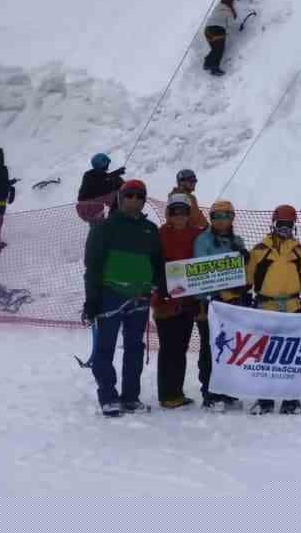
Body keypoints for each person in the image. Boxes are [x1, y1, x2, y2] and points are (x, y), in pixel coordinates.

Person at [83, 179, 164, 417]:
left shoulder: (150, 230)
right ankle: (108, 397)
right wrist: (92, 299)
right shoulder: (104, 228)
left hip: (140, 296)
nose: (134, 200)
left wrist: (156, 285)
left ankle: (130, 397)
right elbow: (93, 267)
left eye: (139, 196)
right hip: (110, 295)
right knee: (105, 347)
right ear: (120, 198)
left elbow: (157, 263)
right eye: (130, 195)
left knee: (134, 348)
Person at [246, 204, 301, 415]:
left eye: (289, 225)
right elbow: (248, 279)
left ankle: (290, 399)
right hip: (266, 307)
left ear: (294, 226)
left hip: (292, 308)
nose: (285, 229)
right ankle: (265, 399)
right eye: (281, 224)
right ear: (273, 224)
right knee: (266, 354)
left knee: (290, 355)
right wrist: (233, 298)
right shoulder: (260, 251)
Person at [152, 192, 205, 409]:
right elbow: (152, 262)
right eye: (175, 212)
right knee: (168, 348)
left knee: (181, 347)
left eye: (183, 212)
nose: (179, 216)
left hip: (188, 301)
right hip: (165, 302)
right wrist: (160, 286)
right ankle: (167, 394)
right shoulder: (160, 234)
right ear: (169, 214)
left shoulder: (197, 234)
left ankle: (176, 392)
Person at [194, 198, 248, 410]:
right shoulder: (204, 241)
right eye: (217, 216)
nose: (221, 220)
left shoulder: (237, 241)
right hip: (210, 303)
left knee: (229, 347)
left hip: (232, 304)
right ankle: (209, 391)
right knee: (210, 347)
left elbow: (243, 272)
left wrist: (244, 265)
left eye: (226, 216)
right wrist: (203, 302)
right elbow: (199, 273)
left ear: (232, 218)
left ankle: (226, 390)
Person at [76, 153, 126, 226]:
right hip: (89, 206)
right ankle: (115, 219)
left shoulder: (90, 174)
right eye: (107, 164)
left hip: (87, 206)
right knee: (99, 227)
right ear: (102, 165)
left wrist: (117, 172)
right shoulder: (93, 177)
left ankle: (114, 219)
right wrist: (118, 179)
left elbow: (105, 178)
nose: (108, 166)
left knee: (98, 226)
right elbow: (103, 182)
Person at [204, 0, 238, 76]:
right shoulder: (228, 11)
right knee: (219, 49)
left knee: (215, 48)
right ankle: (214, 68)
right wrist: (235, 30)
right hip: (218, 30)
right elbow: (231, 25)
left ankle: (207, 63)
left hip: (207, 30)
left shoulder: (217, 7)